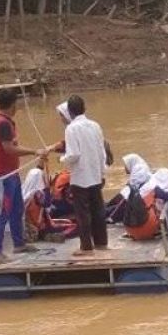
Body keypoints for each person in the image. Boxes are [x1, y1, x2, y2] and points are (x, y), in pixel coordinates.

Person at [0, 88, 50, 262]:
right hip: (2, 175)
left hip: (12, 174)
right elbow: (9, 149)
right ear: (13, 105)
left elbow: (13, 146)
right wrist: (35, 152)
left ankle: (19, 244)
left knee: (17, 209)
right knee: (3, 211)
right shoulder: (2, 124)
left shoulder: (8, 122)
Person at [59, 94, 108, 255]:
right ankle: (101, 242)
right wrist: (102, 172)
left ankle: (86, 247)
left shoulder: (71, 129)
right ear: (84, 108)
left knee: (82, 214)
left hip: (80, 178)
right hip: (95, 175)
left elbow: (73, 155)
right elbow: (102, 152)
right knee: (98, 210)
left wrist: (62, 159)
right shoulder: (95, 125)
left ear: (70, 112)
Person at [22, 165, 77, 242]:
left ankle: (46, 235)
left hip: (34, 225)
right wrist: (47, 187)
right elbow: (47, 203)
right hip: (42, 227)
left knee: (68, 221)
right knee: (74, 226)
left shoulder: (24, 193)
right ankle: (60, 235)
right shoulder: (37, 194)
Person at [105, 153, 156, 224]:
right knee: (110, 205)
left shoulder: (139, 171)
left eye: (126, 165)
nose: (125, 167)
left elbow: (128, 194)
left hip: (134, 204)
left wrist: (112, 218)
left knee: (109, 209)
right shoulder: (140, 170)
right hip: (136, 201)